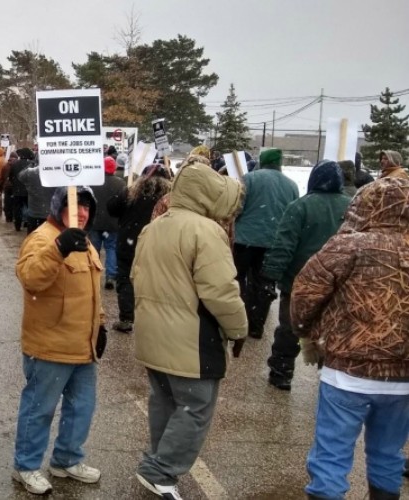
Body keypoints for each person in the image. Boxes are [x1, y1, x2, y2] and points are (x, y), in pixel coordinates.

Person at [132, 158, 247, 500]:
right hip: (192, 337)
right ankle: (160, 470)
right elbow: (220, 291)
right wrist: (238, 328)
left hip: (154, 333)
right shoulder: (206, 231)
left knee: (165, 402)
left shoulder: (154, 226)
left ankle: (158, 464)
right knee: (195, 407)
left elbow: (136, 275)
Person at [291, 177, 409, 500]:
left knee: (332, 454)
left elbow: (305, 293)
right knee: (388, 454)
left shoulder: (348, 245)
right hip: (403, 378)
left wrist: (305, 332)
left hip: (347, 372)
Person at [12, 186, 105, 495]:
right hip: (50, 346)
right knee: (39, 410)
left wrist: (100, 325)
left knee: (82, 408)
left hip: (82, 346)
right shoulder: (42, 238)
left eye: (87, 207)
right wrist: (58, 249)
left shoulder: (84, 241)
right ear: (57, 207)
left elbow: (90, 291)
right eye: (75, 206)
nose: (82, 213)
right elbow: (31, 278)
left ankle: (66, 459)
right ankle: (25, 466)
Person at [260, 160, 352, 391]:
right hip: (338, 283)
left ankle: (281, 372)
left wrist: (270, 275)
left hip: (299, 280)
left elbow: (284, 244)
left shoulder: (300, 206)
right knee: (332, 330)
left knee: (290, 327)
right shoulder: (351, 207)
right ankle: (329, 373)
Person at [233, 148, 299, 339]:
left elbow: (237, 207)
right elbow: (293, 215)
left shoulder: (249, 179)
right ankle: (256, 325)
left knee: (237, 279)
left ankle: (238, 319)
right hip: (273, 242)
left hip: (244, 240)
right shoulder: (292, 185)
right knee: (263, 283)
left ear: (262, 161)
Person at [106, 164, 173, 333]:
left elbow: (111, 208)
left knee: (125, 279)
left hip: (129, 242)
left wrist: (125, 193)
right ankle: (151, 318)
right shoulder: (170, 198)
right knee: (154, 281)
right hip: (155, 244)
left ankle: (126, 317)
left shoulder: (131, 192)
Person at [89, 156, 125, 289]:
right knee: (111, 249)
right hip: (113, 222)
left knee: (93, 249)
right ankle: (110, 276)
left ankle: (93, 274)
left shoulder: (93, 182)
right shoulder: (120, 183)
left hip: (95, 221)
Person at [17, 159, 55, 234]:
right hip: (50, 213)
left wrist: (30, 165)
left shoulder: (30, 172)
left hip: (34, 212)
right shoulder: (55, 173)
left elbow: (20, 176)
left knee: (33, 236)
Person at [10, 148, 34, 231]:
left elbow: (11, 176)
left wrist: (15, 184)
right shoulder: (31, 165)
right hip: (28, 190)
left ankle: (18, 224)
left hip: (17, 190)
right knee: (29, 207)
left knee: (17, 208)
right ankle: (28, 223)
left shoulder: (15, 164)